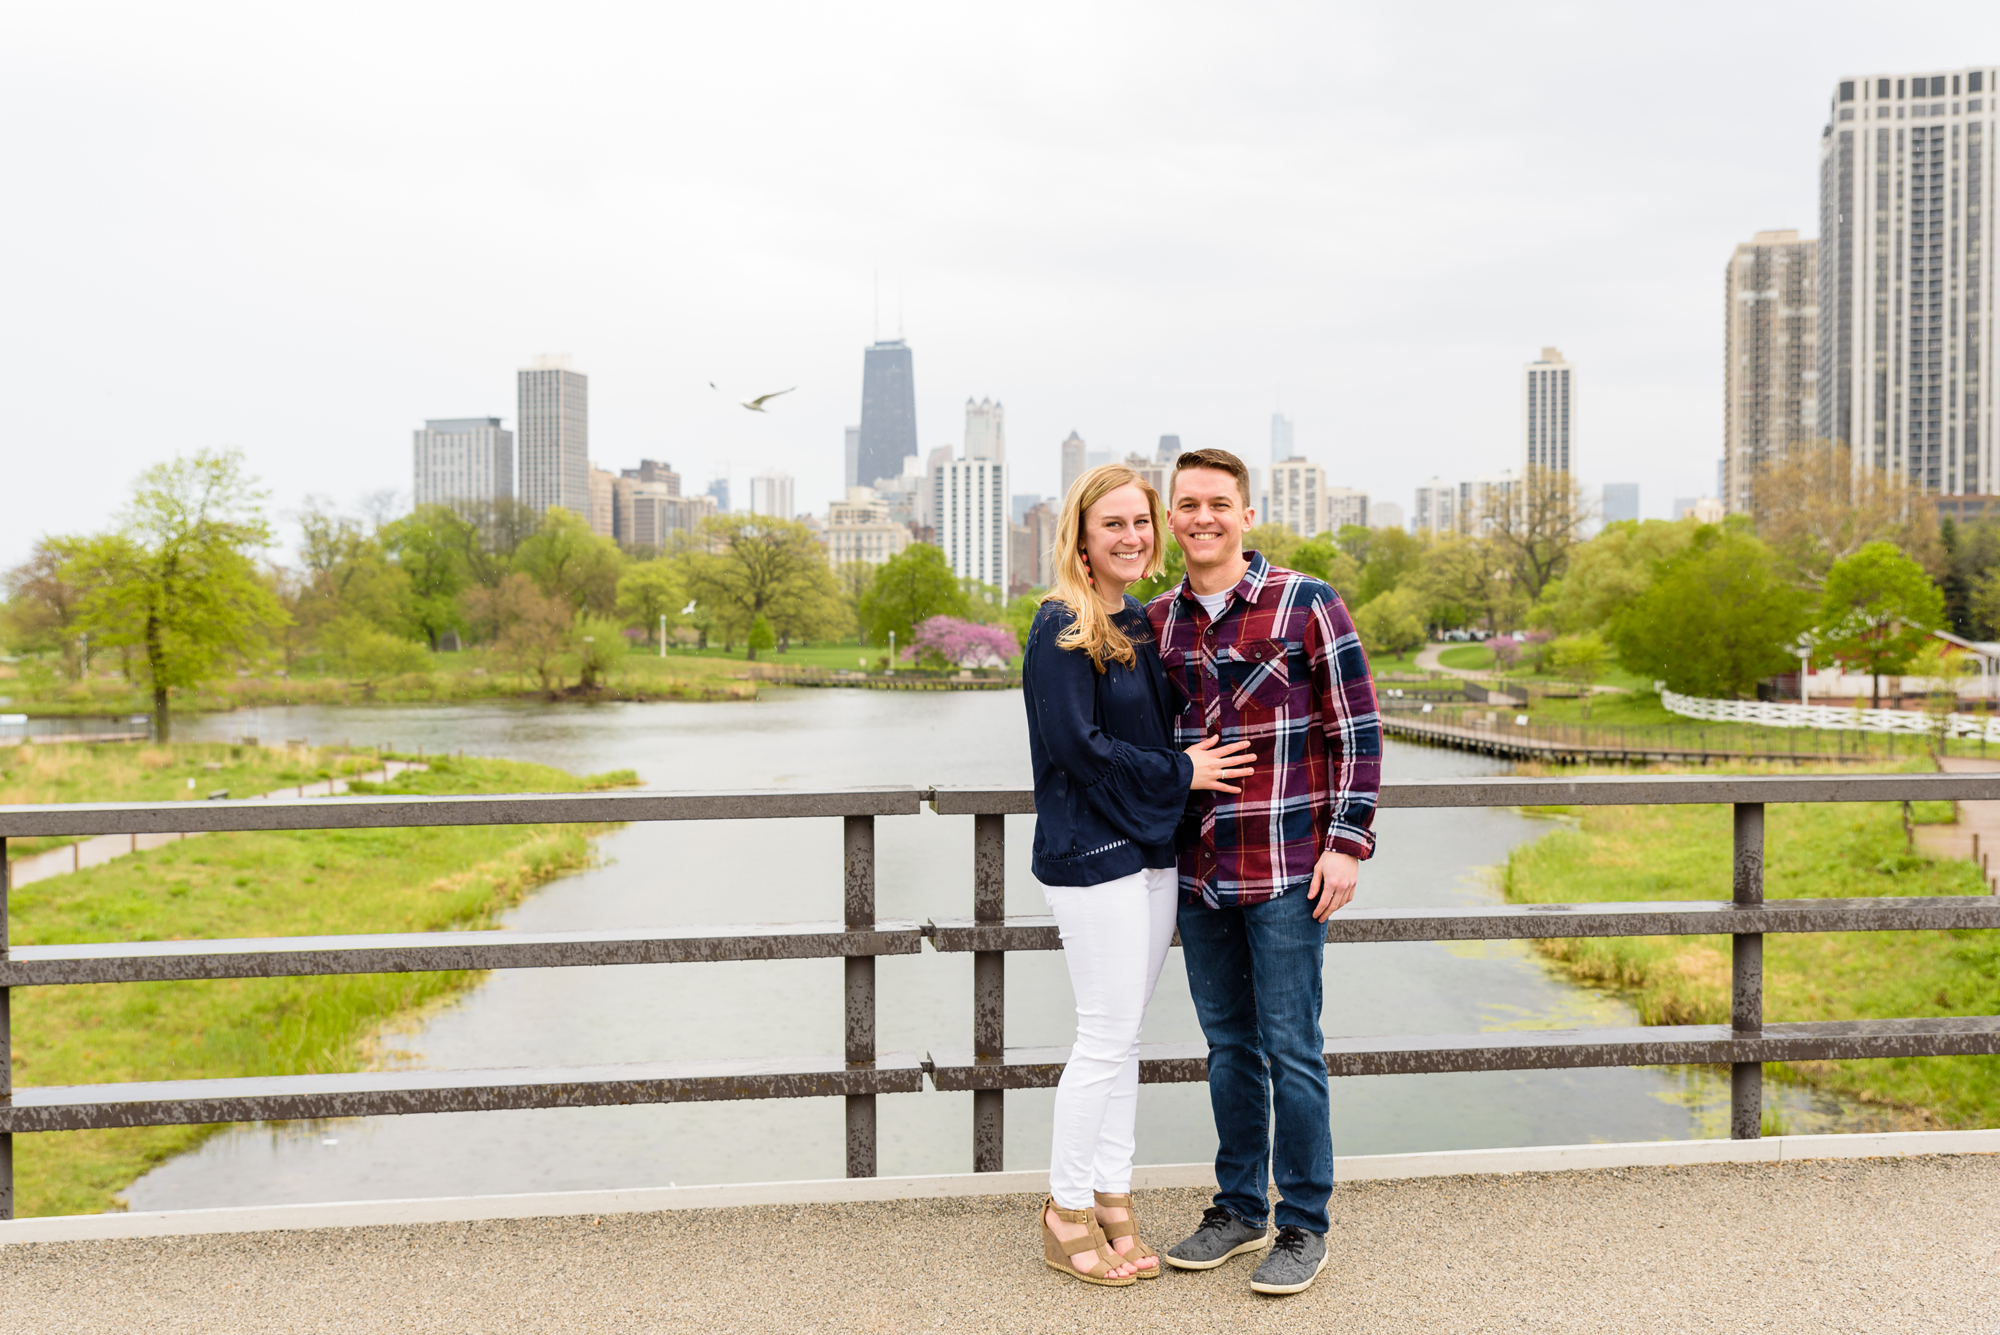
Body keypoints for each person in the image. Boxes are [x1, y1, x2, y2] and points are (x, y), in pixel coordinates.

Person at [1146, 448, 1382, 1297]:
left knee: (1293, 1047)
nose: (1201, 517)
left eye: (1218, 503)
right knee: (1227, 1048)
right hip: (1198, 869)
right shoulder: (1155, 622)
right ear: (1171, 518)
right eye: (1186, 505)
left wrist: (1348, 841)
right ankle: (1239, 1208)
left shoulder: (1306, 603)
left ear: (1247, 515)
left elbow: (1357, 730)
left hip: (1288, 866)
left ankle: (1304, 1223)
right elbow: (1146, 747)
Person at [1022, 463, 1256, 1288]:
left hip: (1153, 854)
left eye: (1140, 522)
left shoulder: (1141, 620)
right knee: (1102, 1037)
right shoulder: (1063, 624)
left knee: (1123, 1040)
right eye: (1112, 524)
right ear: (1081, 538)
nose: (1131, 536)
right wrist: (1180, 773)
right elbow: (1075, 749)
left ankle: (1110, 1191)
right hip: (1094, 859)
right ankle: (1063, 1207)